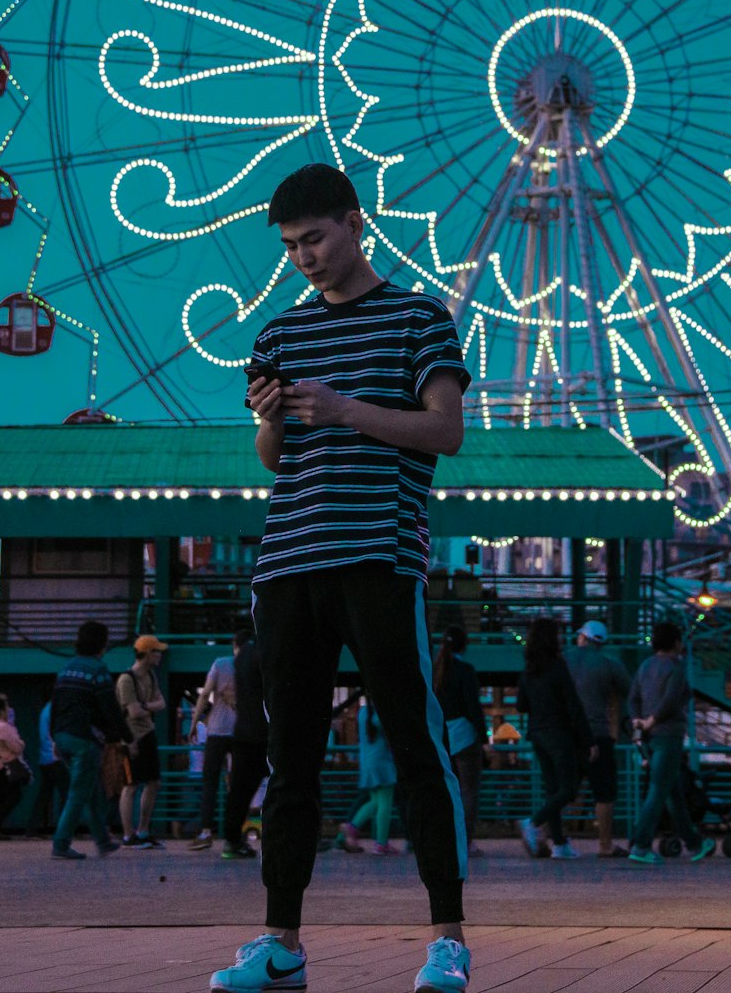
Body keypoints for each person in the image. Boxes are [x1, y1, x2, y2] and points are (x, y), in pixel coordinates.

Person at [210, 162, 472, 993]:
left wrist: (344, 408)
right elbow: (275, 461)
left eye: (315, 239)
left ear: (355, 223)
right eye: (290, 248)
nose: (305, 260)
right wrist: (272, 416)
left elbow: (446, 432)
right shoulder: (281, 334)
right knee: (290, 759)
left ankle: (448, 939)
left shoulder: (418, 318)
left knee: (414, 744)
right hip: (289, 562)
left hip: (380, 556)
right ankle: (279, 942)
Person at [627, 620, 715, 865]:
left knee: (672, 792)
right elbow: (671, 700)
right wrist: (653, 720)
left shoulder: (645, 666)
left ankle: (694, 842)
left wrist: (639, 721)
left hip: (648, 737)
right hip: (669, 735)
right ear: (676, 642)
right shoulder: (676, 667)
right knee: (658, 790)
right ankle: (641, 844)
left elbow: (633, 697)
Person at [50, 618, 134, 860]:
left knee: (91, 790)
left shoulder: (66, 668)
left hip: (62, 735)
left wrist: (54, 737)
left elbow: (55, 704)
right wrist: (126, 737)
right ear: (101, 644)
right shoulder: (97, 670)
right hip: (84, 740)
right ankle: (61, 843)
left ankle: (103, 841)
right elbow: (110, 709)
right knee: (79, 792)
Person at [516, 617, 593, 860]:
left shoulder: (529, 668)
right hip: (559, 734)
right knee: (569, 789)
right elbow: (573, 704)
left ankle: (559, 843)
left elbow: (520, 705)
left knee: (553, 790)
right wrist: (588, 739)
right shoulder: (557, 666)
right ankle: (533, 822)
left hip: (537, 734)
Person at [566, 619, 631, 856]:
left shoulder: (564, 659)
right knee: (604, 791)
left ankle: (549, 836)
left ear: (583, 637)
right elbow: (629, 691)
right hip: (599, 735)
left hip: (569, 735)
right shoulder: (609, 663)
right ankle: (605, 844)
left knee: (563, 788)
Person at [432, 625, 488, 853]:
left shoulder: (435, 670)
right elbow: (473, 706)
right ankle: (465, 840)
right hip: (465, 736)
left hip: (442, 736)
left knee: (446, 790)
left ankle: (443, 838)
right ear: (464, 645)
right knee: (469, 790)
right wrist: (484, 738)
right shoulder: (466, 670)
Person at [188, 634, 241, 850]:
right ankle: (234, 835)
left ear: (233, 644)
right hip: (240, 733)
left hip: (216, 731)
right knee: (237, 785)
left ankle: (205, 832)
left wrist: (194, 723)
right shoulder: (252, 665)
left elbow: (204, 695)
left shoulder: (220, 664)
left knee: (209, 782)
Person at [116, 634, 168, 848]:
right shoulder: (127, 679)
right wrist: (149, 706)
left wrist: (145, 706)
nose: (160, 655)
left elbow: (161, 703)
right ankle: (128, 835)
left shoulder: (151, 676)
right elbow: (133, 712)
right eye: (156, 651)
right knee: (131, 785)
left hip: (148, 734)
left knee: (154, 782)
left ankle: (143, 830)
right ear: (147, 653)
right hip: (131, 738)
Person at [221, 627, 268, 860]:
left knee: (239, 790)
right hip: (267, 733)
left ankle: (231, 840)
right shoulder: (266, 650)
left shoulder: (242, 657)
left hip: (244, 731)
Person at [336, 696, 399, 855]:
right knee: (385, 802)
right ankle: (381, 843)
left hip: (367, 761)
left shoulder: (363, 712)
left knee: (375, 801)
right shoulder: (384, 712)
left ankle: (351, 827)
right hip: (383, 760)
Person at [0, 693, 27, 840]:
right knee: (14, 795)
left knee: (0, 796)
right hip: (3, 767)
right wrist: (21, 743)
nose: (8, 709)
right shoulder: (3, 727)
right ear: (1, 710)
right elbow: (17, 747)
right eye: (6, 707)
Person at [29, 691, 69, 837]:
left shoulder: (45, 710)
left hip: (45, 759)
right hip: (54, 759)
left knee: (44, 794)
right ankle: (64, 828)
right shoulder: (53, 710)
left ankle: (32, 828)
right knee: (67, 792)